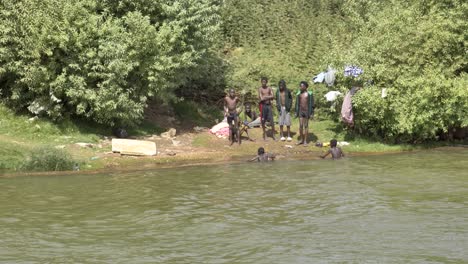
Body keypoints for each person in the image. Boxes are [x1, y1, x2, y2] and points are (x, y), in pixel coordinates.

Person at [295, 81, 314, 146]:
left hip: (307, 111)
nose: (300, 87)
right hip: (301, 111)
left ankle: (305, 141)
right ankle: (301, 139)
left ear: (305, 87)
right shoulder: (299, 94)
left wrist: (311, 113)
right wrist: (296, 112)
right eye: (300, 86)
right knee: (300, 125)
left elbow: (312, 104)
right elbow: (297, 103)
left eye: (302, 86)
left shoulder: (309, 94)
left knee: (305, 126)